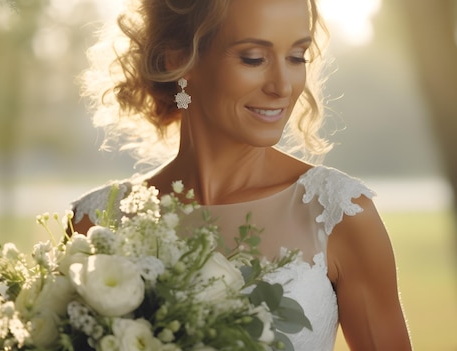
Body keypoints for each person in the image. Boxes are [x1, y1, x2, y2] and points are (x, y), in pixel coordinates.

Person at [71, 0, 412, 350]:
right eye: (253, 58)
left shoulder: (336, 214)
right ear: (178, 61)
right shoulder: (97, 224)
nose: (282, 86)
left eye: (297, 57)